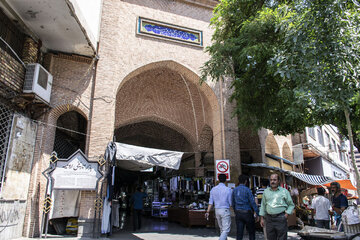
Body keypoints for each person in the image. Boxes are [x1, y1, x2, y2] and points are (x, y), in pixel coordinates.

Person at [259, 173, 295, 240]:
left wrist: (286, 215)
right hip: (269, 219)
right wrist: (261, 218)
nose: (272, 182)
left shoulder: (284, 191)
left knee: (282, 238)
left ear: (278, 181)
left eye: (275, 180)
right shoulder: (266, 192)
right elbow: (263, 205)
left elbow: (291, 204)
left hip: (281, 218)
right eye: (271, 180)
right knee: (270, 238)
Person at [205, 173, 232, 240]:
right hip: (225, 210)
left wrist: (207, 211)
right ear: (225, 180)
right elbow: (231, 202)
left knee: (222, 229)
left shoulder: (213, 189)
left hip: (217, 210)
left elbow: (210, 202)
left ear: (218, 180)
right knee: (226, 230)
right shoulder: (228, 190)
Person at [232, 174, 259, 240]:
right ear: (246, 181)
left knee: (239, 233)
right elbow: (252, 202)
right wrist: (257, 212)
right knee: (251, 232)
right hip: (247, 213)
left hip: (238, 212)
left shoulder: (234, 190)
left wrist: (235, 211)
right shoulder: (248, 190)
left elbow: (233, 202)